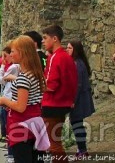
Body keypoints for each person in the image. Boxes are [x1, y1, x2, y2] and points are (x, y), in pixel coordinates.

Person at [0, 35, 50, 163]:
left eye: (13, 51)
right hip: (35, 123)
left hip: (21, 125)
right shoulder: (35, 74)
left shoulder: (24, 78)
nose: (11, 54)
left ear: (22, 53)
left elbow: (21, 107)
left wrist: (3, 100)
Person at [40, 25, 77, 161]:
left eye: (45, 38)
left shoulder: (56, 57)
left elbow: (50, 84)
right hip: (63, 103)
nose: (43, 41)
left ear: (55, 38)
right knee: (55, 142)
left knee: (53, 144)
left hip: (52, 104)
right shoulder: (67, 57)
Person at [65, 40, 95, 157]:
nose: (67, 50)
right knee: (77, 123)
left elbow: (77, 84)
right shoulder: (78, 62)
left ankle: (82, 149)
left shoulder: (77, 64)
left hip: (79, 99)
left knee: (77, 123)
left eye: (70, 48)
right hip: (80, 98)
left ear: (76, 50)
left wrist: (72, 100)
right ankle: (81, 149)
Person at [0, 45, 19, 161]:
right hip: (8, 97)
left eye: (5, 56)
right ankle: (10, 149)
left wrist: (3, 65)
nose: (4, 58)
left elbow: (1, 80)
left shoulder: (14, 67)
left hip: (9, 99)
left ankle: (11, 153)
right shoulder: (15, 67)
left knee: (9, 125)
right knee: (6, 123)